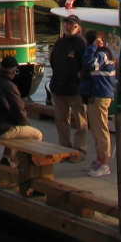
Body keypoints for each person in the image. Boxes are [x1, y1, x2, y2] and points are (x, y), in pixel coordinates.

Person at [0, 55, 42, 166]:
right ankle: (14, 165)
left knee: (17, 129)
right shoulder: (9, 86)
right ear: (14, 71)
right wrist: (27, 125)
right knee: (36, 134)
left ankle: (6, 158)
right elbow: (19, 111)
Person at [49, 15, 88, 161]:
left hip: (75, 90)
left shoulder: (81, 44)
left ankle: (80, 150)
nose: (69, 27)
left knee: (81, 122)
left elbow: (86, 65)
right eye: (67, 24)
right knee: (61, 122)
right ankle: (64, 148)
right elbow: (52, 61)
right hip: (58, 89)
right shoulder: (60, 42)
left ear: (79, 28)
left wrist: (81, 75)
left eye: (72, 25)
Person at [80, 29, 117, 178]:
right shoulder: (104, 52)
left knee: (101, 130)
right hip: (94, 95)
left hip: (101, 96)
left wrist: (93, 47)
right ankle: (99, 160)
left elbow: (90, 63)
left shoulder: (103, 54)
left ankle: (104, 164)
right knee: (96, 130)